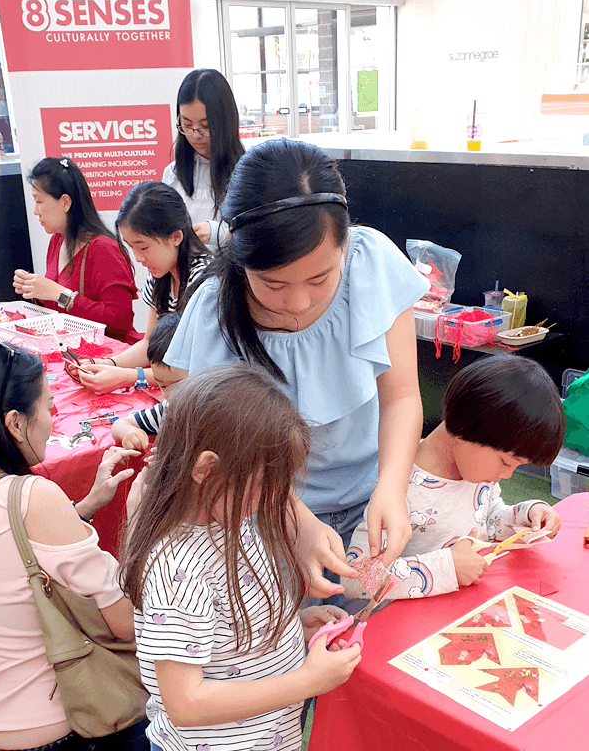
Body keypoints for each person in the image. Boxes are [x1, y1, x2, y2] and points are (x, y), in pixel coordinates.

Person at [162, 138, 431, 598]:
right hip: (260, 512)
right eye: (273, 283)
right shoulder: (213, 312)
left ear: (346, 245)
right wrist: (296, 522)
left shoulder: (372, 266)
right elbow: (223, 450)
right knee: (290, 644)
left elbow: (402, 397)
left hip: (372, 496)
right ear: (241, 260)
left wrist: (391, 485)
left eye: (321, 278)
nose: (299, 302)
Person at [122, 365, 359, 751]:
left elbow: (219, 633)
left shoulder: (235, 519)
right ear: (206, 469)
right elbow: (185, 702)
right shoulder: (179, 571)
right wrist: (308, 681)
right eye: (267, 483)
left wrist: (288, 629)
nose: (275, 497)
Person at [0, 340, 145, 751]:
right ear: (14, 423)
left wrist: (81, 509)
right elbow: (127, 622)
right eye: (50, 407)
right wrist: (139, 518)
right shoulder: (33, 495)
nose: (54, 418)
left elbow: (9, 554)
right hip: (55, 731)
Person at [343, 357, 565, 601]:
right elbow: (356, 578)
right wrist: (445, 568)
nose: (506, 475)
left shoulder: (476, 470)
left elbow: (486, 520)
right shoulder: (398, 486)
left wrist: (526, 515)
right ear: (467, 428)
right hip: (406, 628)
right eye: (505, 462)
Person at [73, 182, 211, 391]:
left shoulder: (205, 281)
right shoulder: (160, 274)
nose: (138, 258)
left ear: (176, 237)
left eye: (143, 247)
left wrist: (127, 376)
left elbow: (194, 368)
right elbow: (149, 342)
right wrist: (107, 364)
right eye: (131, 247)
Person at [12, 157, 137, 342]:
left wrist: (60, 294)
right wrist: (34, 289)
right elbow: (58, 309)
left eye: (39, 201)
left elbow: (120, 321)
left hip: (110, 357)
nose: (35, 211)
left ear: (65, 203)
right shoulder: (57, 240)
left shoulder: (103, 248)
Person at [162, 68, 246, 251]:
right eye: (187, 125)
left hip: (232, 277)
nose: (195, 135)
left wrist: (217, 233)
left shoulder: (248, 171)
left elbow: (261, 235)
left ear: (225, 122)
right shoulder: (172, 174)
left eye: (205, 126)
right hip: (188, 277)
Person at [109, 313, 184, 453]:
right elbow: (120, 424)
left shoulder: (220, 416)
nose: (170, 394)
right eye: (162, 385)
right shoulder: (168, 411)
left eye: (179, 384)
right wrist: (128, 432)